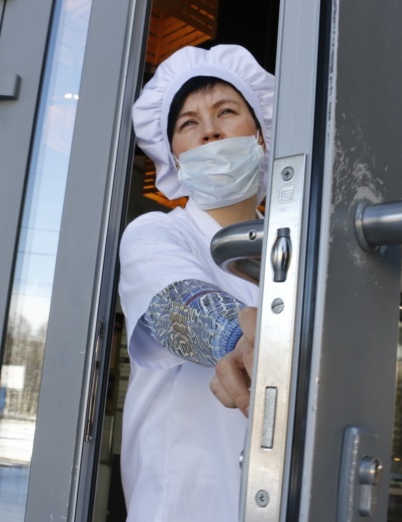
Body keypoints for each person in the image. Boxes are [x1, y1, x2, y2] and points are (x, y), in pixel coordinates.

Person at [117, 44, 274, 521]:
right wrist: (238, 340)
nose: (209, 130)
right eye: (189, 123)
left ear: (262, 135)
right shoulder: (157, 234)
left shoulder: (293, 251)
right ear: (174, 156)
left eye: (226, 112)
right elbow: (176, 307)